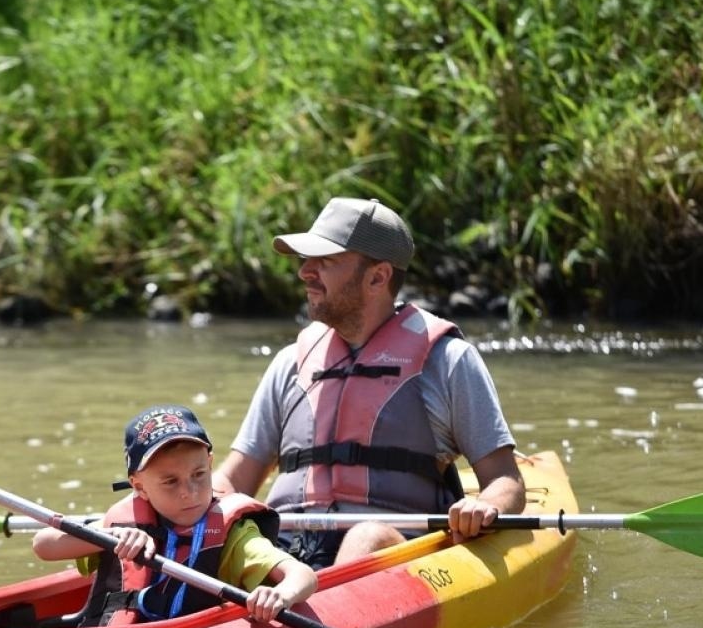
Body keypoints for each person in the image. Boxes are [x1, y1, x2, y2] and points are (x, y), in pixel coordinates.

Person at [214, 197, 524, 567]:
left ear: (378, 277)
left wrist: (485, 506)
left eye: (325, 261)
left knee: (366, 536)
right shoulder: (290, 363)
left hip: (392, 553)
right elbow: (234, 479)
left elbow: (506, 480)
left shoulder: (448, 362)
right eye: (306, 260)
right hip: (284, 553)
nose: (305, 272)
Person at [34, 405, 317, 626]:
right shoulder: (124, 524)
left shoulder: (234, 536)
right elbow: (44, 545)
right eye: (170, 482)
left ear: (210, 464)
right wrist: (109, 536)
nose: (189, 492)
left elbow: (303, 575)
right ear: (139, 487)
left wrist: (280, 595)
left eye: (198, 474)